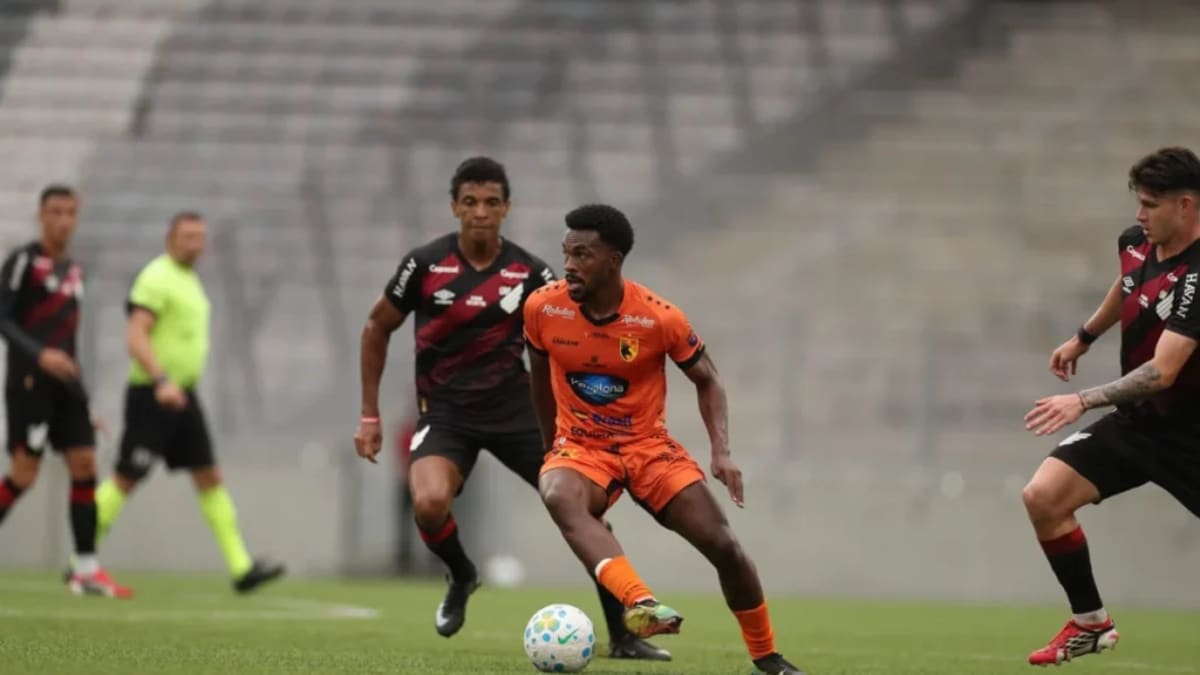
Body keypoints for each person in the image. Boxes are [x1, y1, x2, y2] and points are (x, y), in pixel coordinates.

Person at [354, 157, 668, 660]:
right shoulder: (425, 265)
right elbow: (377, 326)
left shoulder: (532, 273)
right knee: (429, 504)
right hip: (446, 414)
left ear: (506, 207)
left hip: (518, 413)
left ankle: (625, 635)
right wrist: (370, 415)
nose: (481, 211)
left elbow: (569, 339)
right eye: (470, 202)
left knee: (586, 515)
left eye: (491, 202)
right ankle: (462, 574)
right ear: (454, 207)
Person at [523, 203, 805, 675]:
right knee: (557, 493)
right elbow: (537, 376)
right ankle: (641, 603)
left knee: (725, 547)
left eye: (582, 255)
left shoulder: (659, 318)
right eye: (565, 253)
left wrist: (721, 452)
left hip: (648, 448)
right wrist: (552, 444)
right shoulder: (542, 308)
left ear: (613, 260)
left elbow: (708, 380)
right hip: (582, 447)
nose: (568, 265)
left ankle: (767, 655)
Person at [1022, 146, 1200, 666]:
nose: (1140, 215)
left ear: (1186, 205)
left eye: (1151, 204)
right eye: (1138, 202)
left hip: (1192, 434)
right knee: (1044, 497)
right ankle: (1090, 623)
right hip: (1139, 424)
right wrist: (1085, 336)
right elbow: (1127, 284)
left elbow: (1163, 372)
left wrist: (1082, 400)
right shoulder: (1136, 242)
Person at [93, 211, 283, 593]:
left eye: (200, 238)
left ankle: (241, 568)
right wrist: (161, 380)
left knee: (210, 476)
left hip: (184, 396)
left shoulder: (190, 281)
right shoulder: (156, 277)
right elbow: (136, 335)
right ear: (171, 238)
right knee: (127, 477)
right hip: (154, 394)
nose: (195, 244)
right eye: (188, 237)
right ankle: (81, 558)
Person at [0, 185, 131, 597]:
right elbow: (2, 319)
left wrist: (85, 398)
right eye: (55, 211)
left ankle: (86, 571)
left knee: (85, 464)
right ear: (41, 216)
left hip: (67, 385)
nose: (63, 220)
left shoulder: (74, 271)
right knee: (24, 474)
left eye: (70, 212)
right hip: (30, 382)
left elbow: (68, 338)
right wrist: (39, 355)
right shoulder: (24, 262)